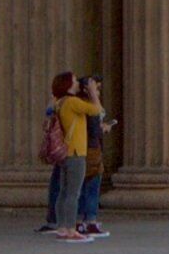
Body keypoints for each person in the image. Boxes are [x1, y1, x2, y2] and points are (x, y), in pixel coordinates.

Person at [42, 73, 96, 239]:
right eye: (74, 80)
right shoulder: (72, 102)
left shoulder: (59, 102)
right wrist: (92, 92)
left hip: (64, 152)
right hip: (76, 151)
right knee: (73, 192)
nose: (77, 82)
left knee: (64, 192)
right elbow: (96, 110)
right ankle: (71, 228)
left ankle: (62, 227)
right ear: (68, 84)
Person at [74, 76, 116, 238]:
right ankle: (90, 221)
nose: (98, 92)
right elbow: (97, 119)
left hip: (81, 149)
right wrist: (103, 128)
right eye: (96, 88)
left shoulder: (76, 104)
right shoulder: (87, 105)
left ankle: (79, 221)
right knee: (91, 186)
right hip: (90, 149)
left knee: (81, 187)